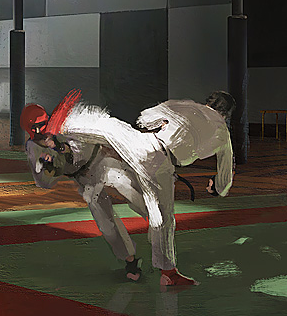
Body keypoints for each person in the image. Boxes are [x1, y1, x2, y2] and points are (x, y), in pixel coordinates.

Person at [23, 90, 235, 288]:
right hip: (151, 165)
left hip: (134, 148)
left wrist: (154, 124)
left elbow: (145, 117)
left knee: (110, 129)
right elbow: (226, 173)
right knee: (158, 217)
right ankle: (159, 270)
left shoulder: (187, 106)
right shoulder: (223, 134)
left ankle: (67, 123)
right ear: (226, 114)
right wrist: (218, 188)